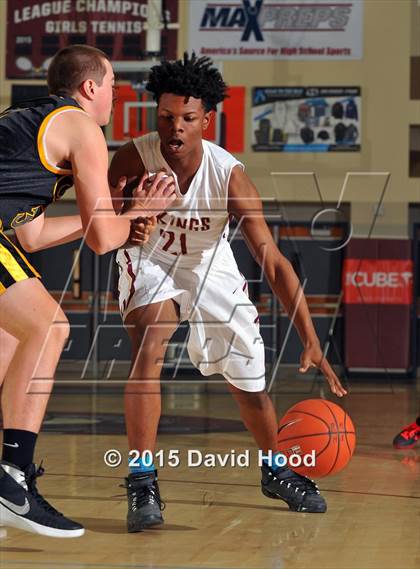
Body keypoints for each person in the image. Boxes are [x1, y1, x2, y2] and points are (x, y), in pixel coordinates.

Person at [109, 53, 347, 533]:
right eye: (167, 117)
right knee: (150, 346)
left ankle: (276, 470)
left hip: (208, 263)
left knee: (250, 385)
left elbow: (274, 263)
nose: (175, 128)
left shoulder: (229, 176)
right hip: (151, 260)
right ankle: (141, 478)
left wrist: (310, 336)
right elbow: (109, 228)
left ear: (207, 121)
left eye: (188, 119)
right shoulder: (134, 158)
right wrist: (129, 223)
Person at [0, 44, 175, 538]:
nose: (117, 98)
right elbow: (105, 240)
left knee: (12, 345)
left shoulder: (31, 121)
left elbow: (31, 236)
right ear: (90, 87)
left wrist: (112, 213)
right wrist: (137, 212)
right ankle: (12, 481)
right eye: (114, 86)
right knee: (50, 327)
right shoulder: (82, 127)